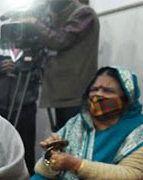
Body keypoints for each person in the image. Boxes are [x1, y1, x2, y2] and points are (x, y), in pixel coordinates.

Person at [29, 0, 99, 131]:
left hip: (75, 90)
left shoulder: (84, 13)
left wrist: (35, 23)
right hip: (61, 90)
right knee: (63, 135)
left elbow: (60, 40)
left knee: (74, 136)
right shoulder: (61, 14)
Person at [0, 38, 40, 175]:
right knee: (0, 145)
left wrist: (22, 69)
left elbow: (42, 72)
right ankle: (0, 178)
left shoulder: (33, 47)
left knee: (26, 147)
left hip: (26, 105)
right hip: (1, 104)